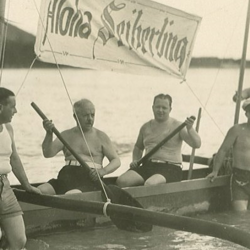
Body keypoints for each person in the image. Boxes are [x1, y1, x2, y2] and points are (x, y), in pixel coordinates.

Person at [38, 98, 121, 195]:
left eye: (92, 115)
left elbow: (116, 160)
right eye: (86, 115)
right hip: (66, 177)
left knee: (71, 194)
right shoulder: (66, 135)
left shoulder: (101, 136)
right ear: (75, 116)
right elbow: (48, 153)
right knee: (40, 191)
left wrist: (102, 172)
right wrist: (49, 134)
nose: (90, 119)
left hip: (89, 180)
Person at [116, 93, 201, 187]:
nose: (160, 110)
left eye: (164, 108)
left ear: (170, 109)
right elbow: (138, 147)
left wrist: (190, 129)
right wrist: (135, 160)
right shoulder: (145, 127)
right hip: (148, 166)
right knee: (122, 181)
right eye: (158, 107)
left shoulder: (178, 126)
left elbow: (196, 144)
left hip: (171, 168)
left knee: (150, 183)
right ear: (153, 108)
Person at [0, 87, 41, 250]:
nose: (16, 111)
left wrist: (27, 186)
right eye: (12, 106)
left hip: (5, 188)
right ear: (0, 107)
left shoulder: (8, 128)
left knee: (18, 240)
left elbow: (14, 158)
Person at [207, 99, 250, 212]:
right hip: (240, 178)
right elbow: (223, 150)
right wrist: (215, 171)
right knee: (240, 214)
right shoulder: (236, 130)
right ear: (246, 113)